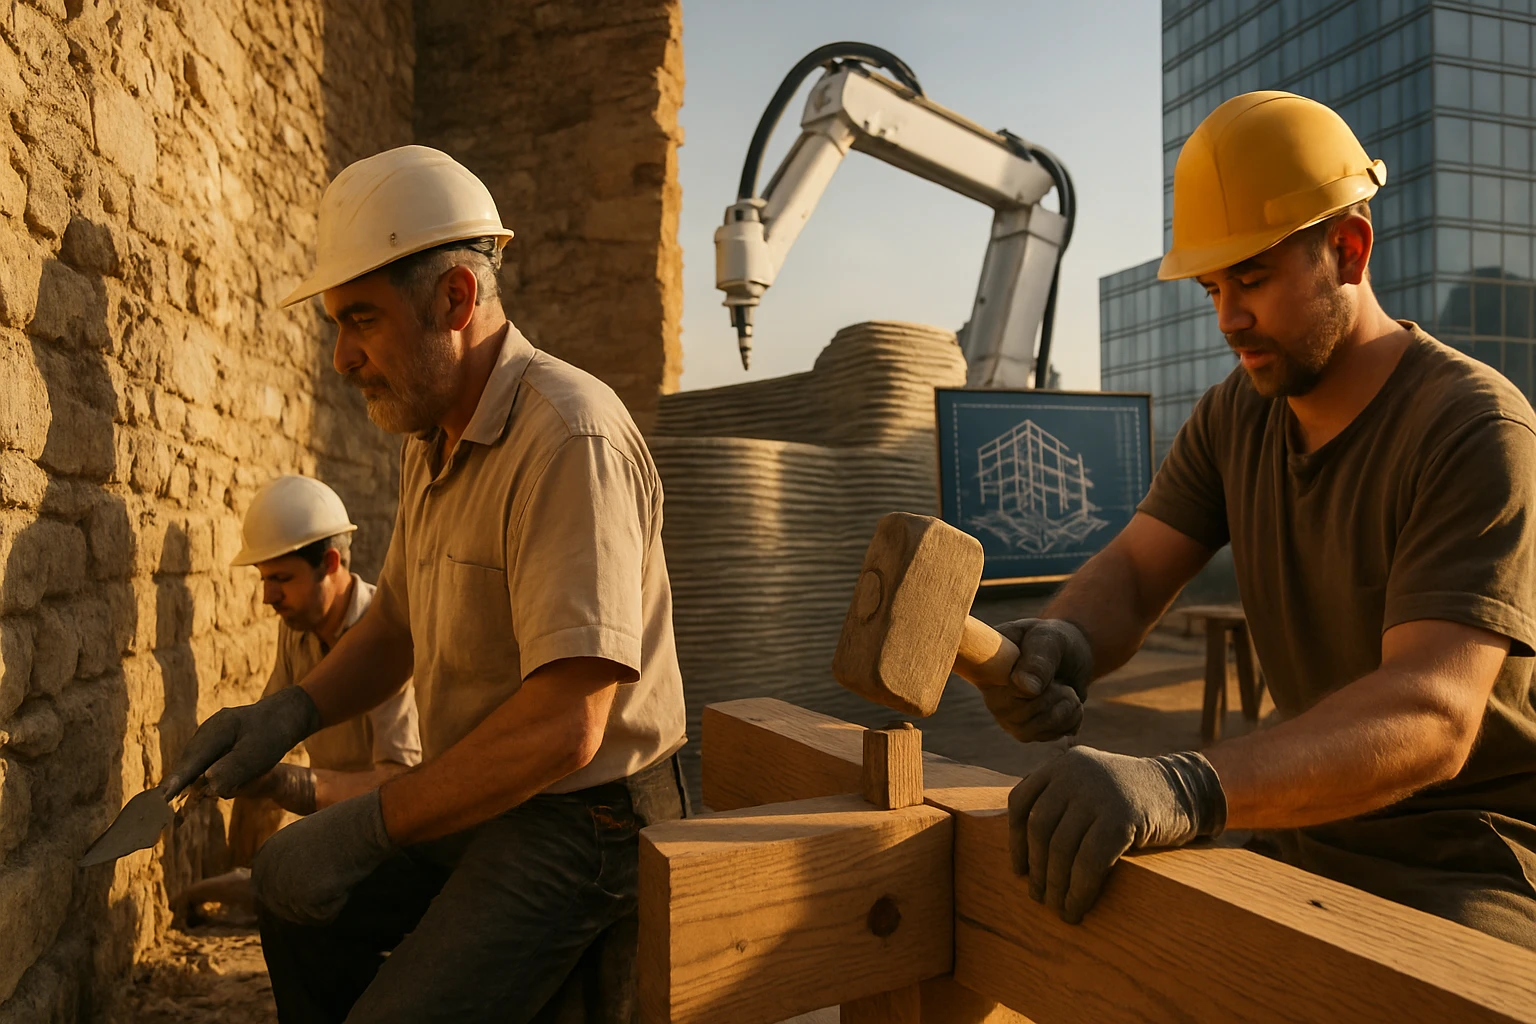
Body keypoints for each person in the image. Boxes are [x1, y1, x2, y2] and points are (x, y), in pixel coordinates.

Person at [984, 91, 1536, 950]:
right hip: (1300, 828)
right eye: (1212, 286)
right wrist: (1068, 639)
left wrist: (1184, 786)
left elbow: (1433, 715)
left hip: (1466, 863)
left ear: (1348, 250)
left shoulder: (1473, 427)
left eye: (1251, 279)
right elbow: (1135, 569)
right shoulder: (1235, 415)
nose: (1227, 319)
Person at [161, 145, 688, 1021]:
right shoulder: (433, 434)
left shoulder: (568, 438)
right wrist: (287, 714)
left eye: (361, 320)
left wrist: (370, 821)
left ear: (455, 299)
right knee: (289, 887)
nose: (341, 358)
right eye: (337, 324)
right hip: (482, 790)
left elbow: (566, 725)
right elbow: (398, 622)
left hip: (588, 821)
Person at [178, 476, 421, 918]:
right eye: (264, 579)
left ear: (329, 562)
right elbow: (268, 730)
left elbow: (403, 787)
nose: (268, 597)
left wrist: (289, 784)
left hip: (399, 842)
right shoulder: (299, 630)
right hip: (336, 830)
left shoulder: (388, 642)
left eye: (282, 579)